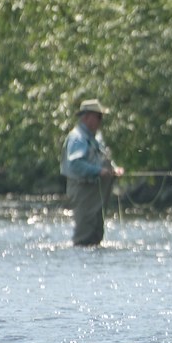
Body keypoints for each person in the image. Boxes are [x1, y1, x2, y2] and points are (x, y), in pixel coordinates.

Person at [60, 99, 124, 246]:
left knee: (96, 232)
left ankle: (95, 264)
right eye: (98, 116)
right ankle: (83, 265)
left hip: (96, 190)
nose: (100, 121)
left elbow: (103, 157)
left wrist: (114, 169)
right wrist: (99, 171)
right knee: (84, 233)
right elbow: (75, 164)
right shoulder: (77, 138)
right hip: (82, 189)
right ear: (86, 117)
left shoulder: (95, 137)